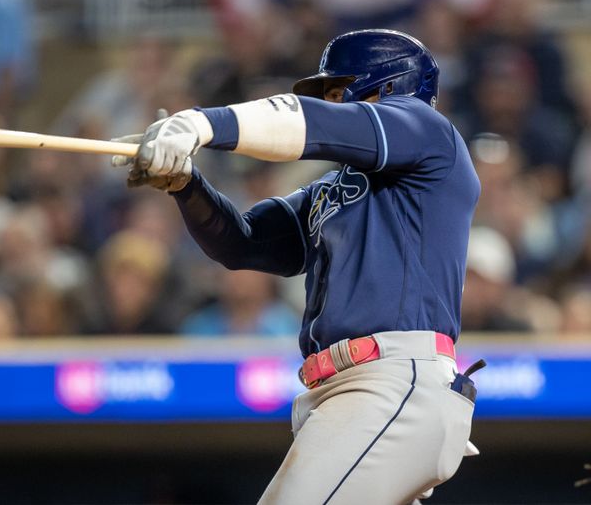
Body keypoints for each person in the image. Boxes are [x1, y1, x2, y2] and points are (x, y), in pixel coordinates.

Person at [115, 29, 481, 504]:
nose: (331, 102)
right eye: (327, 95)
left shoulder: (429, 133)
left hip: (392, 380)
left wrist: (199, 124)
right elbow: (242, 244)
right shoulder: (332, 189)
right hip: (343, 391)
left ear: (388, 85)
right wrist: (185, 183)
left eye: (338, 90)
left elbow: (312, 125)